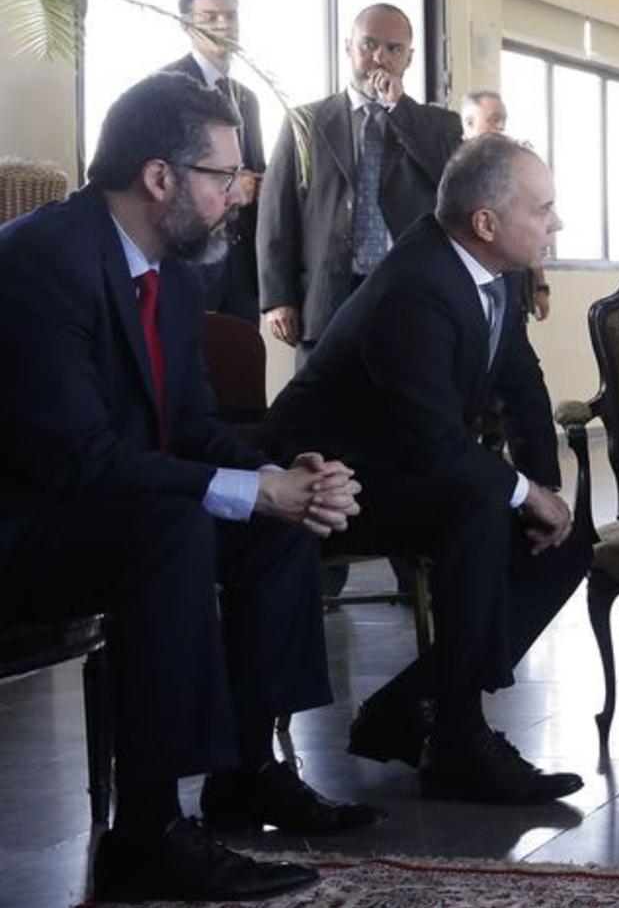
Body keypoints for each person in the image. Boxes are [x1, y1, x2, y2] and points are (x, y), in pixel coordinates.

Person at [0, 73, 375, 902]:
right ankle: (147, 831)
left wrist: (283, 478)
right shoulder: (40, 262)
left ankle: (249, 773)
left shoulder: (170, 269)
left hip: (108, 505)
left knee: (269, 521)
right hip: (29, 524)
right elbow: (75, 460)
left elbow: (193, 425)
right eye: (224, 175)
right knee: (174, 527)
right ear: (161, 177)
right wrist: (244, 489)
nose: (240, 194)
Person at [263, 134, 590, 805]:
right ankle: (460, 737)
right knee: (474, 500)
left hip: (403, 462)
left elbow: (520, 384)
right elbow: (435, 444)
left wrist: (544, 489)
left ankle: (411, 710)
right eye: (544, 208)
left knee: (566, 541)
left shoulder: (490, 268)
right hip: (326, 475)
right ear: (487, 223)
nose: (556, 223)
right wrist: (522, 492)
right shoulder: (417, 284)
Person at [259, 3, 461, 357]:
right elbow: (277, 211)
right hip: (326, 297)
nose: (380, 57)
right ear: (348, 47)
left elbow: (450, 181)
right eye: (368, 44)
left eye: (394, 49)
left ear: (409, 58)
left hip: (408, 296)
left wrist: (398, 109)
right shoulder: (305, 122)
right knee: (325, 408)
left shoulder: (438, 125)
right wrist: (277, 297)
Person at [161, 0, 264, 322]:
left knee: (240, 367)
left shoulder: (247, 98)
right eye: (210, 17)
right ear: (187, 26)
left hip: (242, 265)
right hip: (189, 257)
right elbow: (157, 173)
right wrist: (228, 186)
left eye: (231, 16)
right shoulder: (166, 87)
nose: (224, 24)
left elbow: (255, 171)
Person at [458, 88, 549, 321]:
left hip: (511, 284)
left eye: (503, 120)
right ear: (469, 123)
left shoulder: (513, 167)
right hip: (467, 285)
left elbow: (533, 228)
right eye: (493, 120)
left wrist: (541, 286)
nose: (500, 127)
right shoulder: (453, 173)